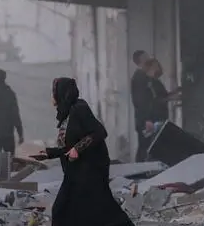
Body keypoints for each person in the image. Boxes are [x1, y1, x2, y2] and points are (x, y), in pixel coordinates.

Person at [34, 77, 134, 226]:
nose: (51, 96)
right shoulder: (66, 114)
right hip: (77, 172)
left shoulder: (79, 108)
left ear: (61, 93)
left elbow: (99, 132)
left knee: (63, 210)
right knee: (93, 211)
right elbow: (68, 147)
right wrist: (49, 153)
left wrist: (78, 148)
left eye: (53, 92)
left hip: (90, 170)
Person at [130, 50, 154, 162]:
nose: (149, 59)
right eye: (146, 57)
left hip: (144, 120)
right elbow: (140, 101)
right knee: (145, 147)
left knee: (145, 146)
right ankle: (139, 171)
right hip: (144, 120)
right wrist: (147, 119)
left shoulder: (143, 76)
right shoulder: (140, 77)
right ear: (141, 61)